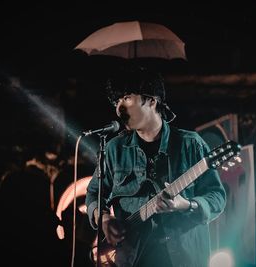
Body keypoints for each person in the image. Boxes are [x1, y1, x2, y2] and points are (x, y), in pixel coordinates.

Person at [85, 66, 227, 267]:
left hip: (183, 258)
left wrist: (185, 205)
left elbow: (217, 197)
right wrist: (105, 219)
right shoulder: (114, 149)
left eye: (126, 98)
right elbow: (93, 194)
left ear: (152, 100)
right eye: (116, 102)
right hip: (133, 258)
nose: (119, 108)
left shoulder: (190, 144)